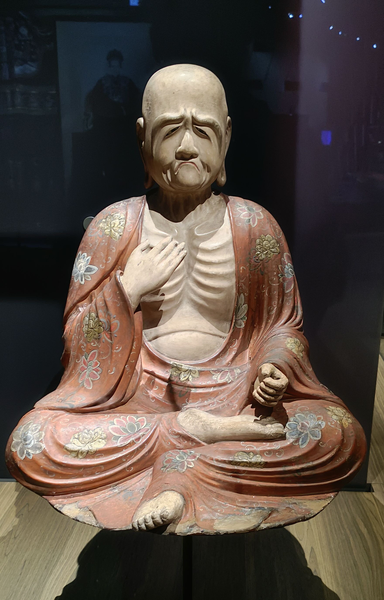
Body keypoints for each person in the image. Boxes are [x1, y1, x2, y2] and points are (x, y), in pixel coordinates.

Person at [6, 65, 366, 535]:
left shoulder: (255, 226)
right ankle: (194, 440)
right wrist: (125, 290)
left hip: (235, 396)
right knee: (32, 441)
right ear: (142, 139)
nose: (188, 147)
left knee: (337, 434)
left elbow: (282, 327)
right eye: (171, 129)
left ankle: (178, 472)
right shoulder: (114, 227)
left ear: (227, 138)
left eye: (204, 130)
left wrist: (274, 366)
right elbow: (77, 346)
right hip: (138, 401)